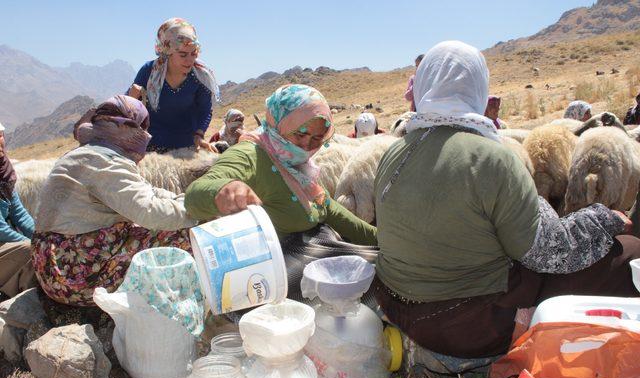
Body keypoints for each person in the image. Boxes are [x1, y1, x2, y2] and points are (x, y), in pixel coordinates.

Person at [373, 41, 639, 359]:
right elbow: (549, 253)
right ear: (478, 88)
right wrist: (603, 218)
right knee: (628, 254)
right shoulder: (491, 156)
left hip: (399, 308)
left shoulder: (394, 150)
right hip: (466, 325)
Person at [185, 84, 378, 299]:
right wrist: (223, 190)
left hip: (308, 263)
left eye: (317, 138)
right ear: (280, 124)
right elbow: (195, 194)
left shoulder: (298, 166)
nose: (306, 145)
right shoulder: (250, 155)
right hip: (270, 285)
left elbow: (329, 209)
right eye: (300, 134)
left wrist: (381, 239)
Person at [31, 96, 197, 306]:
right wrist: (199, 211)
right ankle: (176, 304)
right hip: (72, 274)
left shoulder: (90, 153)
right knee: (182, 235)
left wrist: (189, 199)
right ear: (130, 127)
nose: (145, 134)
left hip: (53, 262)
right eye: (142, 126)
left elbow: (146, 192)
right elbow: (150, 212)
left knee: (147, 226)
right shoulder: (105, 161)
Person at [128, 18, 220, 154]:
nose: (190, 60)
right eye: (183, 54)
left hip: (186, 149)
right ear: (167, 51)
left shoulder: (201, 77)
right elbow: (127, 106)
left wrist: (199, 136)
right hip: (150, 150)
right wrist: (131, 97)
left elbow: (205, 110)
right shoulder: (149, 71)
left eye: (194, 53)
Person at [0, 122, 36, 298]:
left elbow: (20, 215)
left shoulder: (3, 173)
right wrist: (37, 246)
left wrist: (42, 236)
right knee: (28, 251)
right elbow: (1, 230)